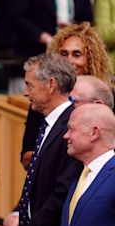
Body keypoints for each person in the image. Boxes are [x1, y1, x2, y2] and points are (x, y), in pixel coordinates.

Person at [15, 53, 83, 226]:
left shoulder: (72, 125)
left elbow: (62, 192)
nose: (24, 92)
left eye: (30, 85)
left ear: (51, 84)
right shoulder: (50, 124)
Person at [21, 22, 112, 169]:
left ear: (91, 59)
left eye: (77, 54)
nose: (69, 61)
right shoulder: (42, 101)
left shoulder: (107, 96)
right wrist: (60, 153)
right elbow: (25, 157)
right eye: (63, 54)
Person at [10, 0, 92, 94]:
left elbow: (86, 20)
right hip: (34, 55)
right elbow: (16, 18)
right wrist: (47, 38)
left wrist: (71, 34)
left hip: (67, 68)